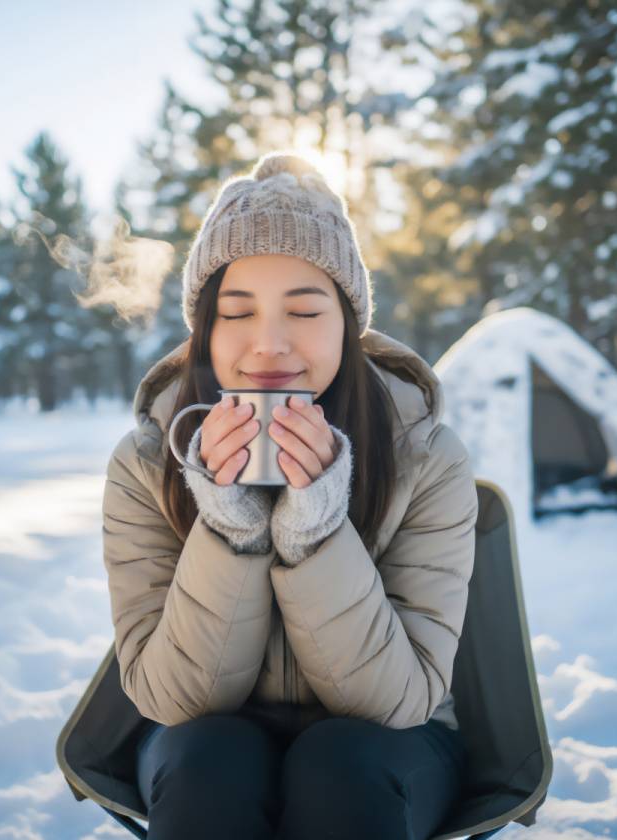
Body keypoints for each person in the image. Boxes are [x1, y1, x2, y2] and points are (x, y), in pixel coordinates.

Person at [101, 151, 479, 840]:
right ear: (204, 332)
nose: (269, 345)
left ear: (348, 325)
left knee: (339, 763)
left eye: (304, 310)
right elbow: (171, 699)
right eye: (236, 313)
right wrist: (229, 523)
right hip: (205, 742)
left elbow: (401, 700)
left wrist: (315, 528)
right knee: (208, 760)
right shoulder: (148, 462)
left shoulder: (424, 456)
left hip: (388, 748)